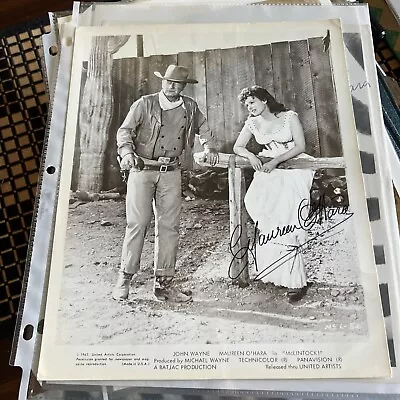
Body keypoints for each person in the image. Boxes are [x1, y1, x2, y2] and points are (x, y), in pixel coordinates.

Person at [113, 64, 218, 303]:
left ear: (183, 86)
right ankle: (125, 278)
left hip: (171, 172)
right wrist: (127, 152)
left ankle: (164, 285)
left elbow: (204, 128)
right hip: (142, 170)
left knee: (169, 227)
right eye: (168, 82)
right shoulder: (144, 103)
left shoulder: (190, 107)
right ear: (162, 82)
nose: (172, 86)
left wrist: (209, 147)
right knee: (137, 224)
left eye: (177, 83)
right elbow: (125, 131)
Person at [233, 85, 314, 303]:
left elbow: (300, 146)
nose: (249, 107)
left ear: (264, 100)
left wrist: (277, 161)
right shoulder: (252, 123)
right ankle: (276, 274)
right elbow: (238, 147)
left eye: (252, 102)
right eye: (246, 105)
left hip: (293, 168)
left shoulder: (289, 117)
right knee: (266, 217)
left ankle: (296, 282)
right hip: (268, 170)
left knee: (287, 220)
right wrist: (251, 156)